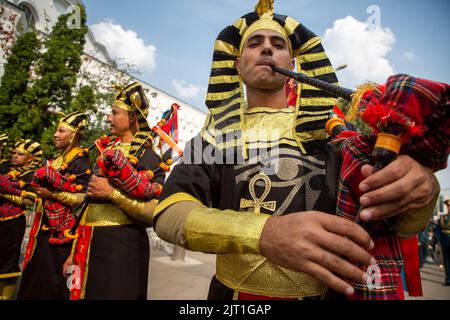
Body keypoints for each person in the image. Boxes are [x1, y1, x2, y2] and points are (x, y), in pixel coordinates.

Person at [153, 0, 441, 300]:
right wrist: (262, 233)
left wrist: (424, 194)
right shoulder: (216, 136)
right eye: (255, 43)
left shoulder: (334, 137)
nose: (267, 49)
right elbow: (169, 213)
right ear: (236, 65)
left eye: (278, 43)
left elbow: (399, 226)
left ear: (293, 64)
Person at [63, 82, 165, 300]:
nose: (108, 118)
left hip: (121, 249)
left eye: (114, 113)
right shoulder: (106, 152)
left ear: (133, 117)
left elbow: (154, 212)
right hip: (87, 243)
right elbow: (88, 208)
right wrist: (73, 252)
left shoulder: (149, 158)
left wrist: (112, 194)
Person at [17, 112, 91, 300]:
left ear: (74, 135)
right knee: (33, 281)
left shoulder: (81, 163)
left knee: (51, 285)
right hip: (43, 231)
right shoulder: (58, 159)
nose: (55, 135)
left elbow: (83, 199)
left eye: (61, 131)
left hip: (61, 238)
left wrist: (53, 194)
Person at [0, 139, 42, 300]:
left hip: (13, 221)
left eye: (20, 154)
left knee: (7, 265)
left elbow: (31, 200)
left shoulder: (32, 175)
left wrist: (4, 193)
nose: (15, 156)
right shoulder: (6, 169)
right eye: (14, 153)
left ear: (30, 158)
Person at [439, 199, 450, 285]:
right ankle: (448, 279)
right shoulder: (443, 217)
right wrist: (439, 240)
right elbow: (438, 230)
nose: (449, 207)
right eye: (448, 206)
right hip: (444, 241)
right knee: (446, 261)